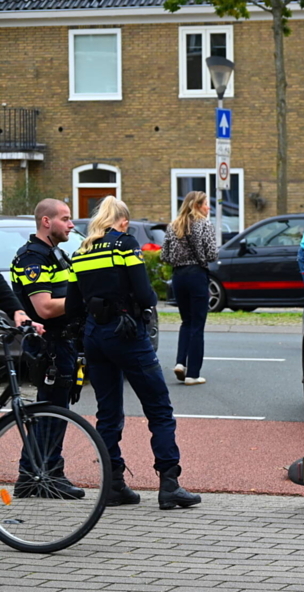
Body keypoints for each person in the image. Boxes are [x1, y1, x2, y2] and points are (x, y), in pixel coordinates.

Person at [66, 196, 201, 510]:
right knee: (159, 409)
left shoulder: (79, 253)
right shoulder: (125, 246)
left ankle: (114, 486)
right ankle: (169, 485)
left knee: (108, 414)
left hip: (95, 337)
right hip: (127, 335)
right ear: (123, 221)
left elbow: (73, 306)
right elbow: (145, 294)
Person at [8, 198, 75, 498]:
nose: (71, 224)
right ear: (46, 222)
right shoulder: (33, 258)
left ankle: (43, 472)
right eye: (65, 218)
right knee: (51, 410)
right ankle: (39, 474)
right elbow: (45, 308)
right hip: (49, 345)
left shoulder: (55, 254)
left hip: (63, 343)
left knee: (56, 408)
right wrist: (82, 301)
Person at [162, 191, 218, 386]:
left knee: (186, 322)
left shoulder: (173, 225)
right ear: (196, 206)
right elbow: (211, 253)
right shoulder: (204, 224)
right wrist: (202, 257)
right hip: (196, 275)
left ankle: (180, 363)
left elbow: (165, 255)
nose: (208, 208)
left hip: (178, 276)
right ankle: (193, 374)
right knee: (197, 325)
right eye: (205, 204)